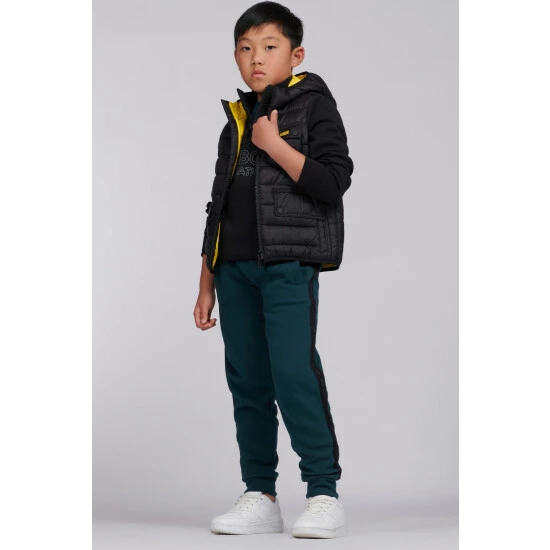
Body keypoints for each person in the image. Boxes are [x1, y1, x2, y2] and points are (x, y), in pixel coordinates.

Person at [193, 1, 353, 539]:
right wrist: (206, 280)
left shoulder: (314, 106)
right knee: (248, 381)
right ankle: (259, 493)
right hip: (234, 270)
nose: (256, 58)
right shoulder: (237, 119)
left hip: (287, 265)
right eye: (245, 48)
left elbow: (333, 182)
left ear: (295, 54)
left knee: (293, 374)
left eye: (269, 47)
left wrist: (275, 146)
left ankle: (324, 494)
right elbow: (218, 205)